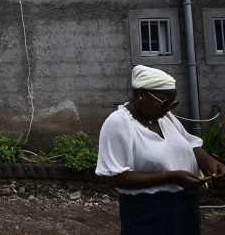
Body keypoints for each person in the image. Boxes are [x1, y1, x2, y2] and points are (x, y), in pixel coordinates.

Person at [96, 65, 225, 235]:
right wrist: (170, 177)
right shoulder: (119, 124)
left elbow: (190, 144)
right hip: (148, 213)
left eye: (172, 104)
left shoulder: (166, 118)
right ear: (141, 94)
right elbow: (114, 178)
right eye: (164, 104)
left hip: (184, 208)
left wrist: (210, 162)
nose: (167, 110)